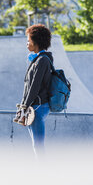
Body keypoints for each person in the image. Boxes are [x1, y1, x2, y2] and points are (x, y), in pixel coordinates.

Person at [14, 24, 53, 156]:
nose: (27, 43)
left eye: (28, 40)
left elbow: (35, 86)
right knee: (36, 144)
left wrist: (25, 105)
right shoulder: (37, 59)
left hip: (38, 107)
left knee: (38, 144)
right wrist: (22, 105)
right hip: (33, 106)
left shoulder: (42, 61)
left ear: (36, 42)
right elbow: (28, 85)